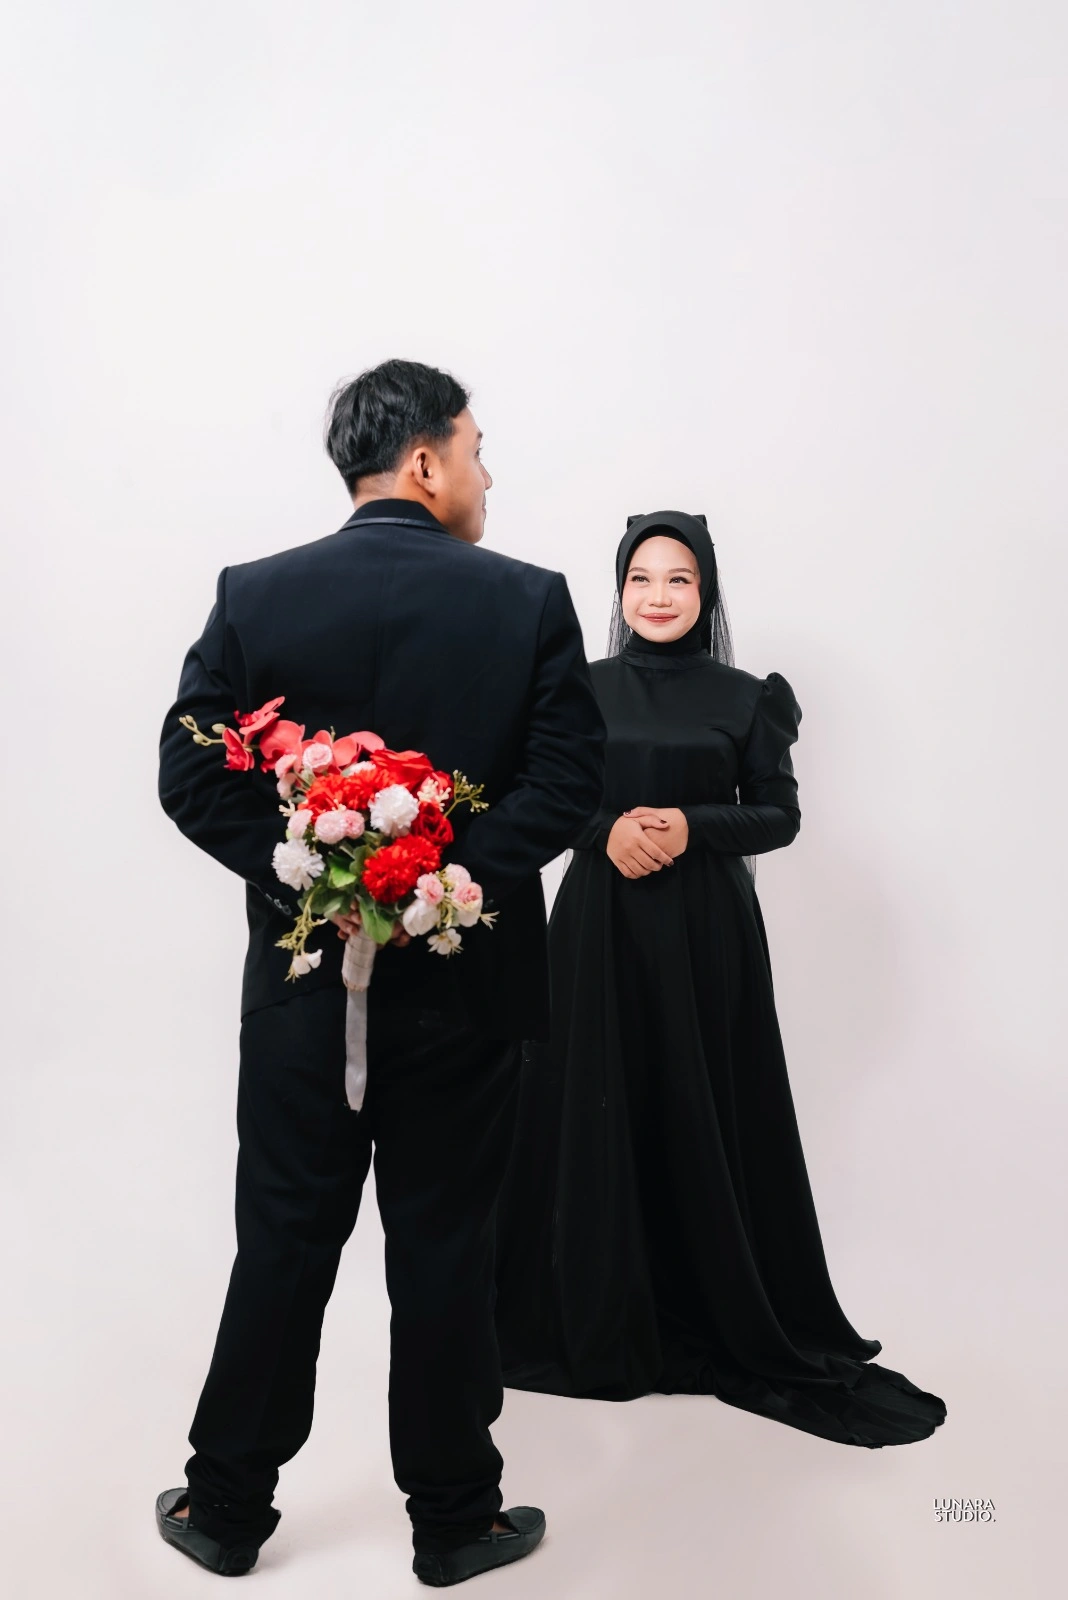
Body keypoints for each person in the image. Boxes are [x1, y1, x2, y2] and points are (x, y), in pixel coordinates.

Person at [154, 359, 605, 1585]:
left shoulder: (255, 594)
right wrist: (435, 885)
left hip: (304, 989)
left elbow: (190, 774)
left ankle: (224, 1507)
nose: (486, 474)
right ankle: (455, 1520)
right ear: (423, 460)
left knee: (283, 1238)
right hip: (468, 987)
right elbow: (569, 782)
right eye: (476, 449)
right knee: (448, 1245)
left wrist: (320, 871)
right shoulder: (529, 600)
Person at [494, 510, 946, 1448]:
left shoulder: (746, 698)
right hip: (597, 927)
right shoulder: (577, 687)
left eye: (679, 579)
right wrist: (605, 831)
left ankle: (711, 1304)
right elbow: (538, 800)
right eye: (641, 579)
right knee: (595, 1100)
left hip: (706, 931)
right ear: (619, 591)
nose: (658, 596)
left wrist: (692, 826)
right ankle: (597, 1315)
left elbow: (777, 816)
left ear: (705, 592)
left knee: (699, 1098)